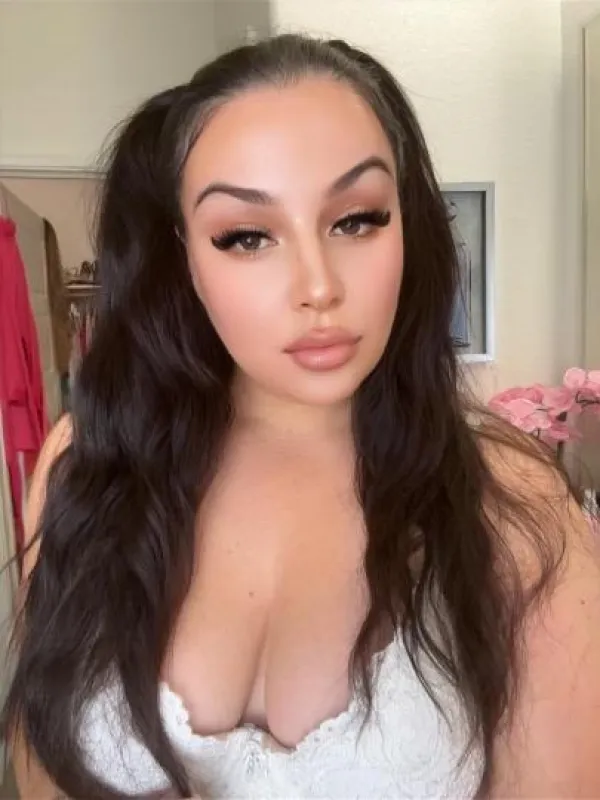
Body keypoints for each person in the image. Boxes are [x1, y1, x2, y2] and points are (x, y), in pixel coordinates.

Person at [3, 33, 600, 800]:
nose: (317, 286)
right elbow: (41, 760)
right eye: (246, 236)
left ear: (409, 224)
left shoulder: (512, 497)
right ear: (184, 258)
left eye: (356, 220)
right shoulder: (85, 464)